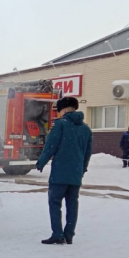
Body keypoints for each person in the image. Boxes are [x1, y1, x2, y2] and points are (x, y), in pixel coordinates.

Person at [35, 97, 92, 245]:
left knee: (55, 202)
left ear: (64, 109)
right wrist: (83, 168)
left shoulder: (60, 125)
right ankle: (69, 234)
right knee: (72, 203)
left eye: (59, 110)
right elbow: (88, 152)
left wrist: (41, 162)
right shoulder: (86, 128)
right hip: (76, 172)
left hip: (60, 172)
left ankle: (57, 234)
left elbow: (50, 146)